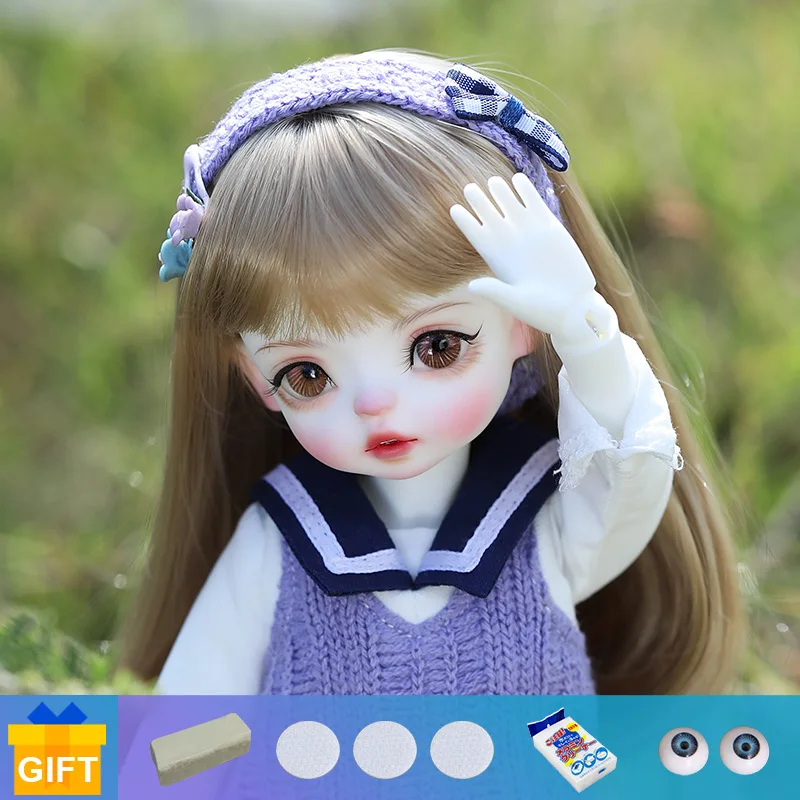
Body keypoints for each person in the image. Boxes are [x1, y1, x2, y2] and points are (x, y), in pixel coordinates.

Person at [118, 50, 744, 695]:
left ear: (521, 326)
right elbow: (195, 716)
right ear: (255, 377)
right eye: (307, 375)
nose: (374, 403)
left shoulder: (541, 516)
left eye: (437, 346)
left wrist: (585, 330)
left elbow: (631, 477)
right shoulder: (281, 540)